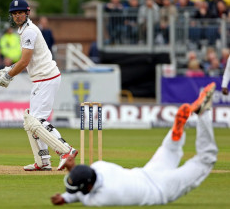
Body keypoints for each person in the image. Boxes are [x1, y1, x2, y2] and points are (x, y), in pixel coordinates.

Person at [51, 82, 218, 206]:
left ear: (88, 186)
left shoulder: (102, 198)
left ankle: (203, 113)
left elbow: (82, 194)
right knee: (168, 150)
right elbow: (83, 183)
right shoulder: (100, 166)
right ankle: (175, 131)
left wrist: (66, 198)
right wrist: (72, 170)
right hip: (146, 173)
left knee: (206, 159)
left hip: (161, 189)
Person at [0, 0, 77, 171]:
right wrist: (10, 68)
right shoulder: (24, 30)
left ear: (27, 13)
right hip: (41, 78)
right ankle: (43, 161)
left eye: (20, 13)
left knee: (37, 122)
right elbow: (28, 59)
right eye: (15, 13)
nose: (18, 16)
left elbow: (25, 61)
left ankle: (66, 150)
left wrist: (9, 76)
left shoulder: (29, 31)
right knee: (30, 122)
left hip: (46, 77)